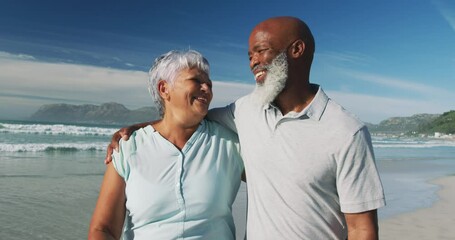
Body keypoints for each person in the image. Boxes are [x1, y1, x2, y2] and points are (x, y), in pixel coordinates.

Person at [105, 16, 386, 240]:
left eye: (261, 50)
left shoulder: (347, 131)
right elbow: (186, 117)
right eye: (250, 54)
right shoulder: (246, 110)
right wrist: (141, 128)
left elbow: (362, 229)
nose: (252, 61)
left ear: (297, 50)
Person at [89, 50, 244, 240]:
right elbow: (103, 229)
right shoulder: (128, 147)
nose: (207, 89)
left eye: (209, 84)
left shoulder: (230, 144)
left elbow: (276, 184)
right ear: (164, 89)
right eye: (196, 81)